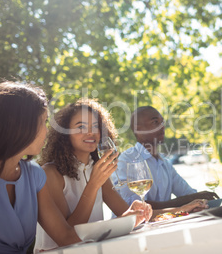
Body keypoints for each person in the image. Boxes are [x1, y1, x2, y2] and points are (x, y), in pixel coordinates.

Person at [34, 98, 152, 253]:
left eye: (95, 126)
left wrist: (132, 215)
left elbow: (123, 212)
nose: (90, 132)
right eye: (81, 126)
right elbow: (68, 236)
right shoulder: (50, 173)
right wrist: (93, 185)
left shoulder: (94, 168)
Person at [0, 82, 80, 253]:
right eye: (43, 122)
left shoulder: (34, 175)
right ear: (21, 125)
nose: (47, 131)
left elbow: (65, 236)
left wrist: (119, 229)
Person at [115, 106, 218, 211]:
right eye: (155, 122)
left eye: (162, 122)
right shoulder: (126, 160)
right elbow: (136, 207)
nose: (162, 127)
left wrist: (198, 201)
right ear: (138, 129)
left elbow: (187, 193)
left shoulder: (164, 162)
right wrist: (185, 201)